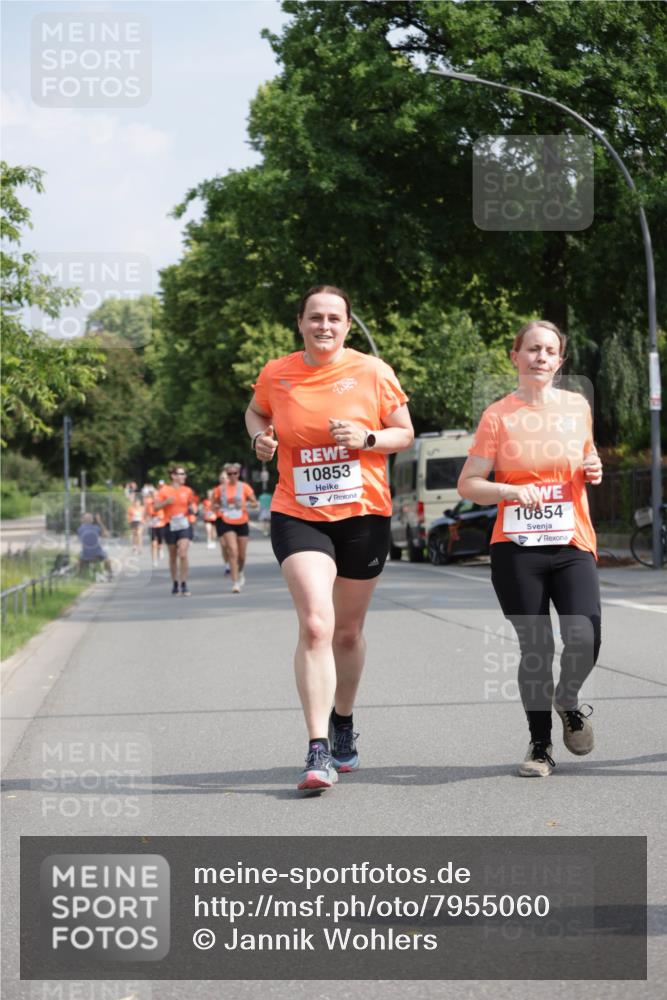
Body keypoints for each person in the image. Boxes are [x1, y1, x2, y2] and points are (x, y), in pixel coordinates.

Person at [245, 285, 414, 792]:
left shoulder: (372, 371)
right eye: (315, 317)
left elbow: (403, 432)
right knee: (317, 624)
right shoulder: (278, 373)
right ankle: (317, 748)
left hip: (363, 512)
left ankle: (343, 720)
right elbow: (257, 412)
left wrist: (366, 439)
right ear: (300, 322)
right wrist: (260, 437)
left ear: (346, 324)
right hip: (299, 510)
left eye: (334, 318)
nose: (324, 326)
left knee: (347, 632)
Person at [457, 319, 603, 778]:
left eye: (549, 351)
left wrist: (593, 466)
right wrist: (509, 492)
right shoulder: (498, 416)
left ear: (560, 362)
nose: (540, 357)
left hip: (572, 540)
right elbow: (469, 485)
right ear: (514, 356)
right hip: (517, 548)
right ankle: (540, 746)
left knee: (586, 635)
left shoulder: (577, 407)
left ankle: (568, 699)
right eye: (532, 349)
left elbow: (585, 457)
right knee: (536, 646)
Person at [212, 463, 258, 593]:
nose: (232, 476)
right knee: (232, 550)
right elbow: (213, 505)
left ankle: (241, 570)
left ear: (239, 474)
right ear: (226, 475)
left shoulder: (244, 487)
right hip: (226, 521)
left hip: (242, 521)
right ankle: (236, 582)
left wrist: (245, 504)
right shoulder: (220, 489)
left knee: (242, 555)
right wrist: (217, 508)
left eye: (235, 473)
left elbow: (254, 503)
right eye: (229, 474)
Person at [154, 465, 198, 596]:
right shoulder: (164, 490)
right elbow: (155, 507)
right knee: (173, 556)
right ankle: (175, 582)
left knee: (183, 553)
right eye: (180, 474)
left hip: (184, 525)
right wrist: (165, 502)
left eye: (184, 474)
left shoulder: (188, 490)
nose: (183, 476)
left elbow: (193, 504)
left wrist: (194, 509)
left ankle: (184, 583)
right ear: (173, 476)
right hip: (170, 525)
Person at [77, 512, 113, 580]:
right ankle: (109, 574)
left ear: (83, 520)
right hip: (98, 554)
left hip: (85, 556)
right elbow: (106, 535)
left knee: (79, 558)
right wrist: (99, 521)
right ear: (92, 520)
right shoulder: (96, 528)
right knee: (107, 559)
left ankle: (79, 575)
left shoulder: (80, 529)